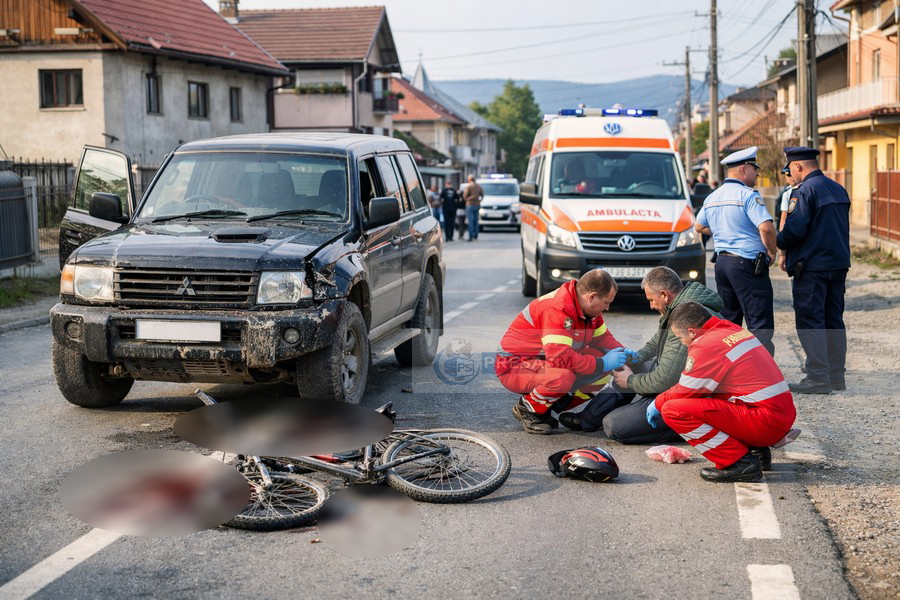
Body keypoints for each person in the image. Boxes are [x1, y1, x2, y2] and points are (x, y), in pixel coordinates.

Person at [558, 266, 724, 444]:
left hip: (689, 396)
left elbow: (665, 380)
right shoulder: (679, 306)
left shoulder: (687, 317)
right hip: (680, 381)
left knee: (614, 426)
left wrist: (629, 381)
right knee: (630, 366)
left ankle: (682, 428)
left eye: (652, 300)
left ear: (664, 294)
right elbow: (656, 343)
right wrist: (635, 357)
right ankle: (588, 419)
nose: (651, 306)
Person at [647, 302, 797, 483]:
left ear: (693, 332)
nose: (683, 343)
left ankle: (739, 463)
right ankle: (756, 451)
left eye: (680, 338)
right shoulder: (730, 329)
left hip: (764, 422)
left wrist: (658, 402)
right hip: (777, 415)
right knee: (715, 393)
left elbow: (686, 391)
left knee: (673, 409)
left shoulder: (705, 344)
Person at [496, 269, 630, 434]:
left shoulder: (589, 311)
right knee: (563, 377)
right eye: (606, 302)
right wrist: (603, 363)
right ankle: (528, 408)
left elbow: (603, 338)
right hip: (515, 366)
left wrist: (623, 354)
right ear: (592, 297)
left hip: (542, 362)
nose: (607, 308)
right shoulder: (556, 309)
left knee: (603, 362)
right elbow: (560, 358)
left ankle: (548, 405)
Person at [777, 146, 851, 394]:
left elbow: (794, 230)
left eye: (791, 170)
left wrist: (779, 242)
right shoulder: (837, 188)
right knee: (833, 319)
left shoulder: (805, 191)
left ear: (798, 166)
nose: (791, 175)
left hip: (812, 267)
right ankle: (835, 377)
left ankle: (818, 378)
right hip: (838, 265)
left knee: (811, 320)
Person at [694, 145, 777, 356]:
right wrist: (772, 251)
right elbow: (766, 227)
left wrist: (724, 231)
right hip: (747, 265)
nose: (757, 173)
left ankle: (731, 372)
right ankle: (762, 376)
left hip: (723, 265)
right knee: (759, 323)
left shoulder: (713, 197)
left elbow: (699, 226)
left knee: (729, 323)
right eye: (754, 168)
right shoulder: (748, 195)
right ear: (744, 169)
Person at [462, 175, 484, 242]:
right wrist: (479, 200)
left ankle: (471, 236)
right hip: (477, 205)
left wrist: (469, 198)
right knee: (476, 220)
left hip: (470, 205)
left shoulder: (469, 187)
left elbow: (465, 197)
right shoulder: (479, 187)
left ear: (469, 180)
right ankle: (476, 235)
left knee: (470, 221)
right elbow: (482, 195)